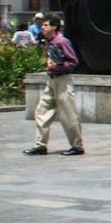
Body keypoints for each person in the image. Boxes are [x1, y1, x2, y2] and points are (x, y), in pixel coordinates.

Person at [25, 14, 85, 156]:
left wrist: (58, 66)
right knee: (41, 111)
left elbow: (73, 62)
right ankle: (40, 145)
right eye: (43, 25)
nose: (43, 27)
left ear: (54, 27)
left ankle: (77, 146)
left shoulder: (62, 41)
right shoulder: (50, 42)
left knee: (68, 115)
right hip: (51, 80)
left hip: (62, 80)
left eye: (46, 25)